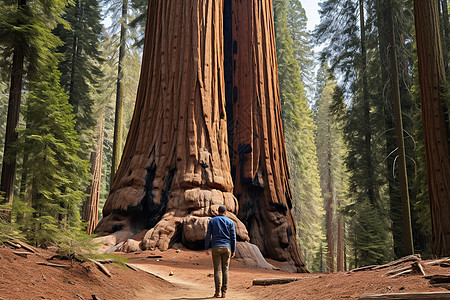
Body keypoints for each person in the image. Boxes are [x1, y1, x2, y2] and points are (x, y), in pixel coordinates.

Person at [205, 205, 236, 298]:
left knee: (217, 269)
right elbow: (233, 237)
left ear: (218, 211)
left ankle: (217, 291)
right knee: (225, 269)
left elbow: (208, 235)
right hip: (227, 247)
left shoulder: (212, 221)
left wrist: (206, 247)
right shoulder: (230, 222)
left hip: (216, 247)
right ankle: (224, 292)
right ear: (225, 212)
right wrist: (233, 249)